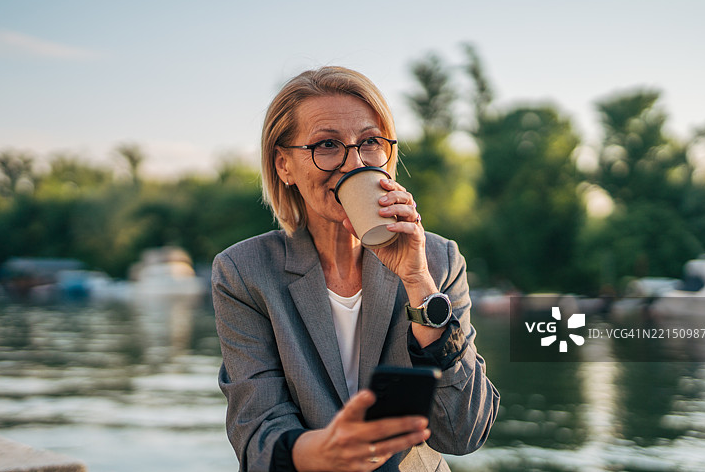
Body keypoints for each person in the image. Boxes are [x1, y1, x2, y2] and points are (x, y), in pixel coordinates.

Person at [212, 66, 499, 471]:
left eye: (369, 143)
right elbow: (257, 435)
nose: (354, 163)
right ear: (284, 166)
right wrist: (326, 452)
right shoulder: (244, 272)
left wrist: (418, 282)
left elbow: (462, 431)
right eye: (327, 144)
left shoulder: (438, 260)